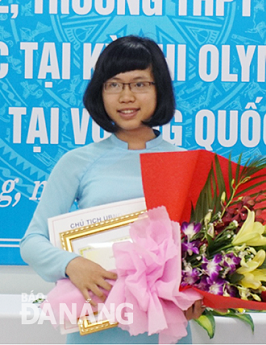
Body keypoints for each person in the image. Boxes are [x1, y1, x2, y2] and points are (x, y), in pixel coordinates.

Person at [20, 35, 203, 344]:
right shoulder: (77, 162)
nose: (126, 96)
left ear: (160, 90)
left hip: (164, 331)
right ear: (100, 93)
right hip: (96, 330)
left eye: (140, 84)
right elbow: (31, 242)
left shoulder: (186, 164)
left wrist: (198, 292)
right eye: (114, 85)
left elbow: (202, 250)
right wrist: (72, 265)